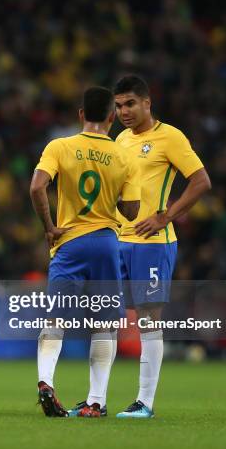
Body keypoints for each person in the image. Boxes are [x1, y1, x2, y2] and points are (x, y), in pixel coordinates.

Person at [29, 87, 141, 418]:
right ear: (112, 117)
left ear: (81, 115)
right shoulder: (125, 156)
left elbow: (37, 186)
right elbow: (132, 211)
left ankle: (46, 381)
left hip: (69, 243)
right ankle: (95, 401)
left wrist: (49, 227)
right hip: (106, 242)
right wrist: (114, 196)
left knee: (56, 318)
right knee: (104, 324)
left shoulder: (60, 146)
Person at [113, 75, 211, 418]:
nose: (123, 111)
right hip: (118, 241)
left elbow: (201, 181)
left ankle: (145, 402)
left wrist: (164, 217)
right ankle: (97, 398)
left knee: (148, 320)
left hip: (152, 244)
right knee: (107, 318)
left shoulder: (170, 137)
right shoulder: (121, 139)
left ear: (147, 104)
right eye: (119, 105)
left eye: (130, 104)